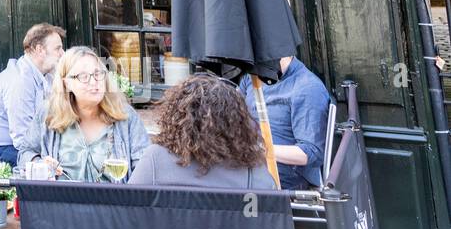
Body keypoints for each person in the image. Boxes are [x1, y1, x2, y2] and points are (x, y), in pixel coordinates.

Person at [17, 46, 149, 181]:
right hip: (61, 200)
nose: (93, 82)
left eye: (98, 74)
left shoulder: (126, 116)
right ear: (66, 83)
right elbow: (25, 153)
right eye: (83, 76)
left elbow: (146, 168)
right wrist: (40, 164)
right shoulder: (49, 113)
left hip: (113, 201)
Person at [129, 74, 277, 189]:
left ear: (177, 118)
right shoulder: (252, 171)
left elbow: (128, 211)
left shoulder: (155, 159)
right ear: (237, 122)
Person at [0, 24, 66, 165]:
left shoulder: (46, 75)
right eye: (58, 48)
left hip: (13, 147)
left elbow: (58, 115)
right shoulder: (20, 81)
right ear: (40, 50)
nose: (63, 53)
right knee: (54, 166)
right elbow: (22, 138)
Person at [240, 56, 333, 190]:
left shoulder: (307, 87)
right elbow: (234, 114)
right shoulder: (250, 78)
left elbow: (310, 152)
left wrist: (256, 149)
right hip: (245, 167)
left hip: (282, 178)